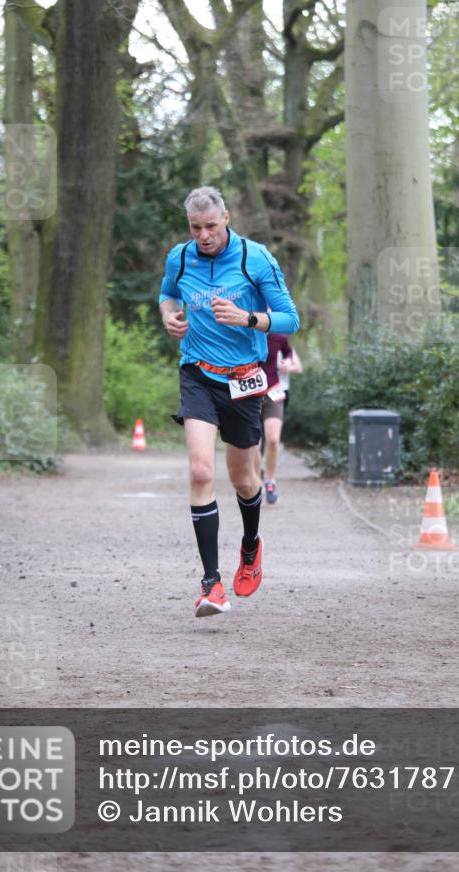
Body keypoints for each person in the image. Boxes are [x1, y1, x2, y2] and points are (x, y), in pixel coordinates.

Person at [159, 186, 299, 618]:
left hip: (243, 378)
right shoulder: (180, 257)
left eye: (211, 227)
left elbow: (291, 317)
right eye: (195, 228)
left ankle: (251, 545)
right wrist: (168, 316)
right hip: (197, 372)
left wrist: (249, 319)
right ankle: (211, 584)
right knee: (201, 469)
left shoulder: (255, 258)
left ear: (227, 218)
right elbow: (167, 293)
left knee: (244, 479)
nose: (203, 236)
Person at [256, 334, 303, 504]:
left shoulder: (280, 339)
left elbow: (297, 365)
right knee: (255, 443)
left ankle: (270, 481)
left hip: (276, 393)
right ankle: (255, 482)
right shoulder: (249, 334)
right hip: (252, 394)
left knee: (273, 439)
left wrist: (288, 366)